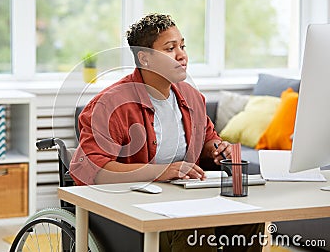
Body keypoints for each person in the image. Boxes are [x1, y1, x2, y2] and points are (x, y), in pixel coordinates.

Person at [70, 13, 264, 251]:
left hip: (182, 202)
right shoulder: (110, 105)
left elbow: (207, 138)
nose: (182, 55)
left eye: (182, 46)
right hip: (129, 211)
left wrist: (215, 149)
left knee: (249, 220)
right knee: (196, 227)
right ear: (145, 58)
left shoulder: (192, 97)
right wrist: (162, 171)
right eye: (170, 48)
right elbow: (95, 170)